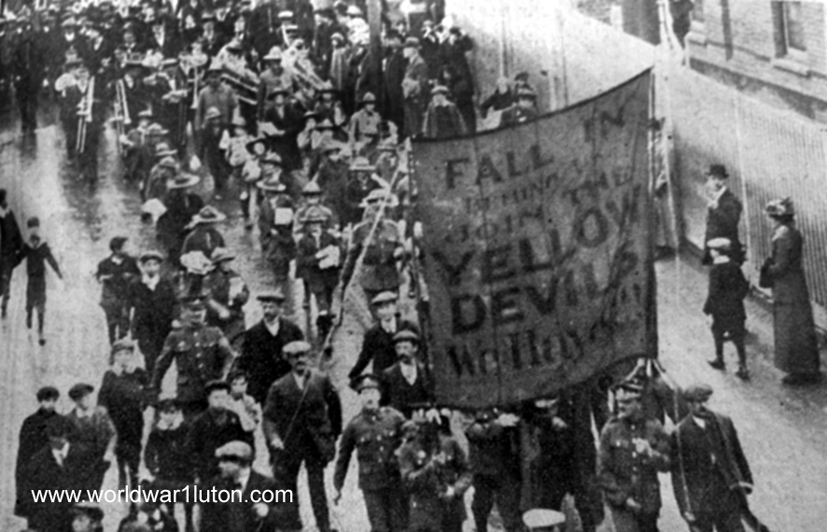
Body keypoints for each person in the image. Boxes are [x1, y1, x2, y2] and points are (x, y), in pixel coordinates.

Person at [262, 340, 342, 532]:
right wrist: (274, 438)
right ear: (288, 360)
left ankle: (324, 526)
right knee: (288, 487)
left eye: (303, 356)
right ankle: (293, 525)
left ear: (309, 356)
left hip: (315, 443)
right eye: (295, 357)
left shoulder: (321, 380)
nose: (300, 360)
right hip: (290, 443)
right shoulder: (279, 386)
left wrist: (332, 433)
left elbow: (335, 408)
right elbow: (268, 418)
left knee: (317, 487)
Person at [671, 383, 755, 532]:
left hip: (727, 492)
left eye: (707, 401)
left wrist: (747, 481)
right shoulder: (680, 433)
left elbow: (737, 453)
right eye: (698, 402)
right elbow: (679, 474)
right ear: (689, 404)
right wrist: (685, 507)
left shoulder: (724, 422)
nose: (704, 406)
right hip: (701, 500)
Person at [334, 374, 407, 532]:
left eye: (372, 393)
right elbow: (343, 457)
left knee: (399, 525)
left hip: (394, 480)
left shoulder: (394, 417)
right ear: (359, 398)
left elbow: (410, 437)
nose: (369, 397)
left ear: (379, 395)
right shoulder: (354, 425)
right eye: (364, 394)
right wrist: (337, 486)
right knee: (379, 526)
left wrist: (400, 453)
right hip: (371, 485)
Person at [761, 197, 821, 384]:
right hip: (797, 285)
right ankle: (809, 367)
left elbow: (780, 267)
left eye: (770, 217)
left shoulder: (781, 236)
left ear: (776, 218)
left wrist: (766, 269)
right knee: (801, 326)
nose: (768, 220)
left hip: (786, 288)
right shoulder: (793, 232)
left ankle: (798, 370)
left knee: (789, 328)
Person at [597, 381, 671, 532]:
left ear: (639, 403)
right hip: (621, 504)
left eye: (627, 402)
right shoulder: (610, 430)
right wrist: (623, 498)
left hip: (648, 502)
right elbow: (602, 471)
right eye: (619, 402)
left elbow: (668, 464)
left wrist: (651, 453)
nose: (621, 406)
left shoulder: (653, 426)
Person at [152, 295, 236, 417]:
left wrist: (223, 378)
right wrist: (155, 389)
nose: (196, 314)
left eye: (200, 310)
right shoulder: (175, 336)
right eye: (192, 310)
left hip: (212, 390)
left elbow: (229, 356)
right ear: (184, 312)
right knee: (192, 429)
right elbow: (161, 364)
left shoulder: (215, 333)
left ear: (205, 311)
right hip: (188, 393)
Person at [397, 415, 472, 532]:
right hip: (424, 512)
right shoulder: (407, 449)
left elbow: (467, 471)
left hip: (450, 508)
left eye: (432, 426)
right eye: (421, 427)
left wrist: (456, 489)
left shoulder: (450, 443)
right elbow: (408, 481)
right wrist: (430, 467)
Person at [236, 290, 304, 405]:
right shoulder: (253, 333)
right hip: (263, 388)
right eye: (264, 307)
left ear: (279, 308)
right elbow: (245, 361)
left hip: (288, 383)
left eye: (271, 307)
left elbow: (302, 356)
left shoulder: (292, 330)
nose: (267, 311)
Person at [98, 339, 149, 489]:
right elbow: (103, 396)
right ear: (114, 357)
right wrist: (102, 410)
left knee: (135, 447)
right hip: (116, 418)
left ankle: (134, 475)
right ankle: (121, 470)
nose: (124, 357)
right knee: (119, 446)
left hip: (134, 418)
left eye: (127, 354)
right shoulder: (110, 374)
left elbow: (148, 392)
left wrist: (143, 404)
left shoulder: (139, 373)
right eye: (120, 354)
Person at [199, 441, 284, 531]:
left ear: (238, 462)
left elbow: (291, 516)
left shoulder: (267, 484)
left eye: (224, 461)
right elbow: (207, 523)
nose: (220, 465)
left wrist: (268, 511)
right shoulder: (215, 486)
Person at [17, 416, 80, 531]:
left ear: (67, 435)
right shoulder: (37, 462)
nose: (58, 441)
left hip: (77, 520)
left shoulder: (82, 456)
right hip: (48, 522)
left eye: (61, 437)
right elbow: (31, 496)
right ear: (49, 437)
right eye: (53, 437)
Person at [465, 408, 523, 532]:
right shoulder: (475, 406)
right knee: (481, 511)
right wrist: (498, 424)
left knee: (510, 514)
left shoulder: (508, 407)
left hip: (506, 470)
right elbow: (471, 431)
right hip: (483, 471)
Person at [187, 380, 254, 484]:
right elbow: (191, 450)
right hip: (208, 471)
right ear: (209, 399)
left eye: (223, 397)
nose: (220, 401)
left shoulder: (234, 418)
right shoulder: (199, 422)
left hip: (232, 470)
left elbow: (245, 442)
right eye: (216, 397)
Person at [144, 398, 194, 532]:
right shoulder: (157, 432)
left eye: (172, 412)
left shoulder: (186, 429)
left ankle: (189, 523)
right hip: (166, 470)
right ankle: (171, 523)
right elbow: (148, 452)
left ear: (178, 413)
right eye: (165, 413)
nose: (169, 416)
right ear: (160, 414)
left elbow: (194, 449)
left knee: (188, 498)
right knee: (167, 498)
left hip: (184, 471)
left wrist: (193, 467)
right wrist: (153, 467)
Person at [704, 238, 751, 380]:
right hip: (736, 308)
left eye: (712, 250)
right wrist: (736, 299)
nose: (711, 252)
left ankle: (720, 359)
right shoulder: (734, 266)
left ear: (717, 252)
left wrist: (708, 308)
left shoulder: (715, 269)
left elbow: (713, 292)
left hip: (720, 310)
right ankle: (743, 365)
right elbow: (744, 286)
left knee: (717, 331)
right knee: (738, 336)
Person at [14, 386, 61, 524]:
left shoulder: (61, 422)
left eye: (53, 400)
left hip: (55, 478)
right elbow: (23, 455)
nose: (50, 404)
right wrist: (22, 486)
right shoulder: (30, 423)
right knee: (35, 520)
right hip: (35, 479)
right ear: (40, 401)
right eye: (47, 400)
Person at [349, 291, 418, 380]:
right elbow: (365, 357)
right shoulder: (372, 333)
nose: (385, 311)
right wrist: (353, 375)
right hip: (382, 377)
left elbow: (420, 349)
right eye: (381, 308)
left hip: (406, 374)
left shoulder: (408, 326)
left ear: (395, 307)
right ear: (377, 312)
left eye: (388, 307)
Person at [15, 216, 63, 346]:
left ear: (38, 228)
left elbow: (50, 258)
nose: (34, 230)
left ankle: (41, 331)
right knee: (29, 301)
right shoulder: (27, 245)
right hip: (31, 277)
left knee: (42, 302)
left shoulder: (43, 245)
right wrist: (9, 265)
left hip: (41, 278)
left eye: (35, 227)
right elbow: (19, 258)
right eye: (31, 228)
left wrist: (58, 271)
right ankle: (29, 315)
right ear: (29, 229)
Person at [128, 251, 177, 377]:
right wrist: (128, 328)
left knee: (162, 356)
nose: (152, 268)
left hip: (163, 326)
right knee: (149, 355)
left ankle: (156, 380)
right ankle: (151, 383)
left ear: (159, 266)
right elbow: (128, 306)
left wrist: (175, 319)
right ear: (143, 267)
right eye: (148, 264)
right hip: (144, 326)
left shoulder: (166, 283)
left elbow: (175, 303)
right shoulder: (136, 284)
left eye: (155, 264)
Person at [296, 206, 341, 338]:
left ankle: (324, 317)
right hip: (315, 275)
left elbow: (339, 252)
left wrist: (335, 258)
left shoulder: (330, 237)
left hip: (330, 274)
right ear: (307, 225)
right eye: (311, 223)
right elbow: (301, 261)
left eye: (317, 223)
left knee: (328, 297)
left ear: (322, 223)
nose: (314, 226)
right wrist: (317, 257)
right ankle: (323, 326)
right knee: (320, 298)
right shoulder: (303, 241)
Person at [66, 383, 117, 495]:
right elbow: (62, 440)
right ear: (76, 401)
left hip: (98, 461)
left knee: (93, 495)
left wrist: (109, 453)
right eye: (82, 398)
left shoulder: (101, 414)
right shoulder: (69, 419)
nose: (86, 400)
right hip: (77, 464)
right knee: (77, 497)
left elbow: (113, 434)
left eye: (87, 396)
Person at [96, 236, 141, 345]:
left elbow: (138, 275)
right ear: (116, 249)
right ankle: (112, 342)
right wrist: (105, 277)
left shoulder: (130, 261)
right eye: (125, 247)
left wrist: (131, 276)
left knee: (124, 318)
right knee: (111, 321)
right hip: (110, 296)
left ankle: (122, 342)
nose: (127, 249)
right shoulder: (105, 263)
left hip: (125, 295)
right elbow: (99, 276)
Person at [381, 330, 433, 419]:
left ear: (415, 348)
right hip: (398, 420)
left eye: (405, 348)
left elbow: (433, 397)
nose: (401, 352)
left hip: (423, 417)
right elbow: (384, 402)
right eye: (398, 348)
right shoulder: (388, 374)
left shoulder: (426, 371)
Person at [205, 247, 250, 347]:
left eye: (228, 261)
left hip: (235, 318)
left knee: (237, 349)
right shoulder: (209, 278)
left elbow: (246, 293)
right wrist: (220, 309)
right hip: (216, 321)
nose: (227, 264)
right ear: (217, 264)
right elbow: (207, 298)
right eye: (224, 262)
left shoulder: (235, 276)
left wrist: (241, 296)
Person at [702, 164, 744, 265]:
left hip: (725, 251)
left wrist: (717, 209)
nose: (715, 182)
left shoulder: (732, 201)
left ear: (722, 181)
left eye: (719, 179)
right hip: (713, 248)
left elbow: (732, 223)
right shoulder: (714, 197)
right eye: (712, 178)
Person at [0, 188, 24, 318]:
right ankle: (5, 299)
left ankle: (4, 304)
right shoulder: (8, 214)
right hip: (5, 253)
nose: (4, 202)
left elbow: (16, 230)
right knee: (5, 277)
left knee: (5, 277)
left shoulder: (9, 214)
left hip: (7, 253)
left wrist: (20, 246)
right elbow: (16, 230)